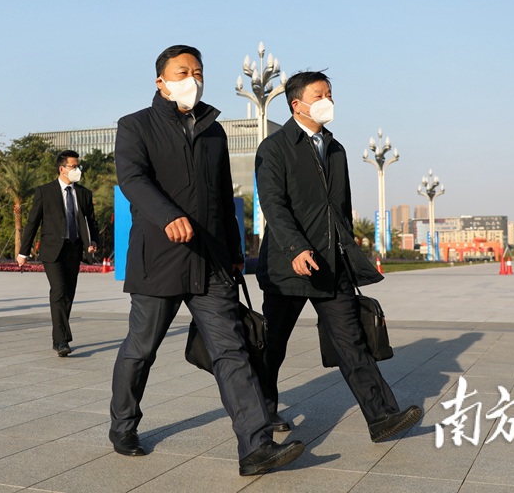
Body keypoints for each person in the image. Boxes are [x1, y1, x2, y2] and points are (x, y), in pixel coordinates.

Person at [108, 45, 304, 477]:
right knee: (141, 349)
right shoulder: (134, 126)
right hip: (160, 258)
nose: (192, 79)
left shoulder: (214, 131)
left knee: (232, 351)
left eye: (197, 71)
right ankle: (123, 426)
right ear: (161, 81)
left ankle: (256, 447)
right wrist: (167, 217)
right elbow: (133, 179)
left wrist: (234, 254)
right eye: (182, 72)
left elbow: (222, 196)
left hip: (211, 262)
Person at [255, 70, 422, 443]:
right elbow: (274, 205)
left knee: (352, 342)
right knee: (273, 345)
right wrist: (296, 248)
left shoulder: (335, 149)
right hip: (288, 266)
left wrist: (347, 246)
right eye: (319, 95)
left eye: (329, 94)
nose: (327, 101)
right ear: (296, 104)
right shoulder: (275, 147)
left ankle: (382, 417)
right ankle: (262, 413)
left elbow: (339, 209)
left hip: (332, 266)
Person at [17, 150, 99, 356]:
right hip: (52, 250)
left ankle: (58, 338)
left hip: (74, 250)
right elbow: (32, 223)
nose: (77, 169)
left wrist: (93, 241)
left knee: (68, 294)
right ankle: (62, 340)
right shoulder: (45, 192)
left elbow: (91, 222)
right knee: (59, 291)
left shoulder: (84, 193)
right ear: (62, 169)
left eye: (78, 166)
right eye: (73, 166)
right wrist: (23, 252)